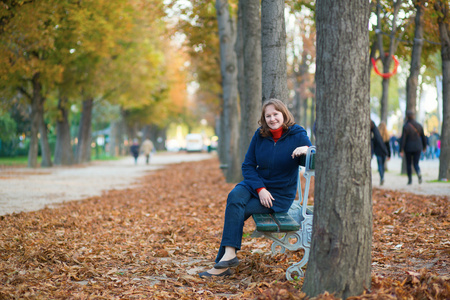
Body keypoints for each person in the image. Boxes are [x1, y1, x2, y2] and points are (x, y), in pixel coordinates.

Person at [198, 98, 312, 278]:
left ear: (283, 114)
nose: (272, 119)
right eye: (268, 116)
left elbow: (310, 151)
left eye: (276, 114)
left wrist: (306, 150)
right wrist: (260, 189)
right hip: (256, 186)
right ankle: (229, 255)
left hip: (278, 195)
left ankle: (223, 265)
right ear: (264, 118)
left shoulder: (297, 133)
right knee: (234, 196)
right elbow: (248, 165)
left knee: (238, 211)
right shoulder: (260, 135)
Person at [400, 110, 427, 185]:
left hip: (408, 148)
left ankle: (410, 180)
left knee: (409, 164)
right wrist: (424, 146)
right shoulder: (419, 125)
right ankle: (418, 172)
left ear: (407, 117)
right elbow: (423, 137)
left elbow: (403, 139)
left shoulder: (406, 126)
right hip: (417, 147)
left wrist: (401, 149)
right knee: (416, 163)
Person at [371, 121, 388, 185]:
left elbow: (374, 143)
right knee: (382, 165)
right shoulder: (386, 135)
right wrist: (388, 154)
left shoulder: (376, 134)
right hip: (384, 152)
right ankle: (382, 176)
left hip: (378, 151)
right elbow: (388, 145)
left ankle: (381, 177)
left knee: (380, 165)